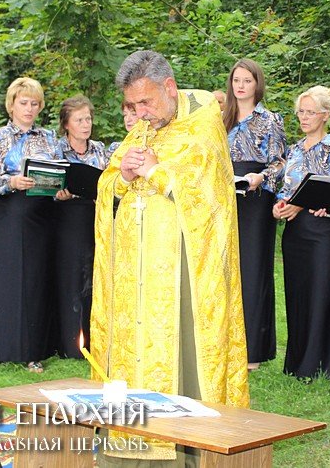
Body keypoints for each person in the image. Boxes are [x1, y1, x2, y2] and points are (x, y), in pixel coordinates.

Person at [91, 50, 249, 463]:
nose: (140, 114)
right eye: (132, 105)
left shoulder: (203, 122)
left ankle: (187, 447)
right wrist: (122, 175)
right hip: (134, 266)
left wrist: (158, 172)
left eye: (146, 102)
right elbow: (109, 179)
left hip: (181, 263)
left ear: (170, 87)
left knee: (182, 347)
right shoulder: (143, 126)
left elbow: (208, 193)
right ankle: (132, 437)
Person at [0, 77, 59, 373]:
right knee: (5, 281)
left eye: (35, 104)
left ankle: (34, 350)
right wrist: (11, 181)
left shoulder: (49, 138)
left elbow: (59, 171)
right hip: (5, 215)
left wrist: (58, 185)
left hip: (40, 216)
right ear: (12, 105)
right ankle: (1, 348)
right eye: (24, 103)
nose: (29, 108)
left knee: (36, 281)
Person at [272, 86, 330, 380]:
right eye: (300, 111)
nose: (303, 117)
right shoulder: (294, 149)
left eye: (310, 112)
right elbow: (286, 187)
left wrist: (300, 205)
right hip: (295, 233)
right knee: (297, 293)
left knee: (321, 293)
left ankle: (321, 364)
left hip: (324, 232)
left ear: (325, 115)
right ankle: (297, 362)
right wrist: (280, 206)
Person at [222, 58, 286, 369]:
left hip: (256, 196)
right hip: (225, 195)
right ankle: (224, 343)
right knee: (225, 268)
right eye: (237, 80)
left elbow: (280, 162)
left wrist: (262, 178)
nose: (241, 85)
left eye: (247, 80)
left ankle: (253, 350)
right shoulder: (221, 119)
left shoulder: (270, 120)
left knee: (253, 268)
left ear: (257, 84)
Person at [51, 95, 108, 359]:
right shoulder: (55, 150)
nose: (86, 125)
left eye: (88, 119)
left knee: (94, 274)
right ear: (66, 124)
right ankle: (69, 341)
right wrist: (59, 192)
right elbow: (45, 183)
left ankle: (94, 336)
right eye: (79, 120)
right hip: (66, 219)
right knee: (71, 274)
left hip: (95, 216)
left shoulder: (100, 150)